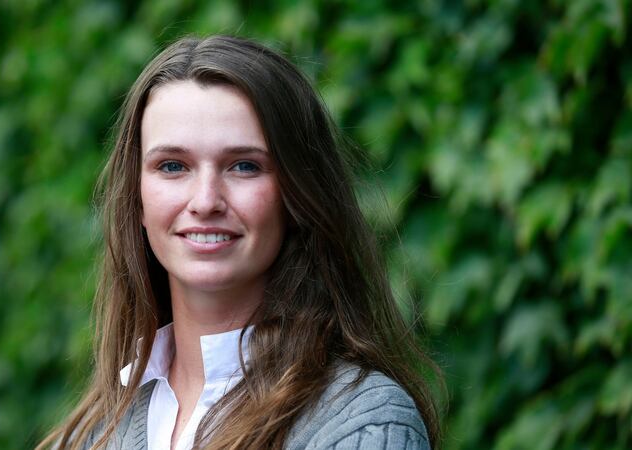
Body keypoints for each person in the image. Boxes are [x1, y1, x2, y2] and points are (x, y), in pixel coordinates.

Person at [37, 34, 443, 450]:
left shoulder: (364, 423)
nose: (206, 201)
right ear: (137, 198)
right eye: (173, 166)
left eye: (245, 166)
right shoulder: (90, 435)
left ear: (296, 194)